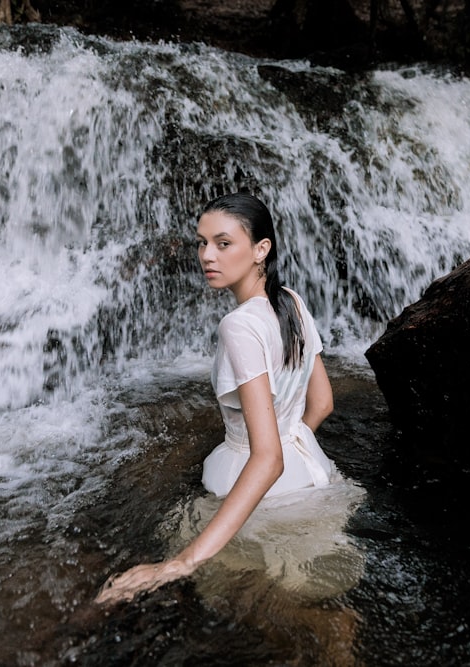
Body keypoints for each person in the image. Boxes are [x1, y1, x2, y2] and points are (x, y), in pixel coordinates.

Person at [94, 192, 347, 605]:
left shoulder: (238, 325)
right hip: (313, 476)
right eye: (202, 242)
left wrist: (181, 562)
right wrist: (289, 443)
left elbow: (266, 458)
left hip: (260, 497)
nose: (207, 255)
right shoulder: (293, 302)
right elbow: (322, 404)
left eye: (223, 243)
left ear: (261, 249)